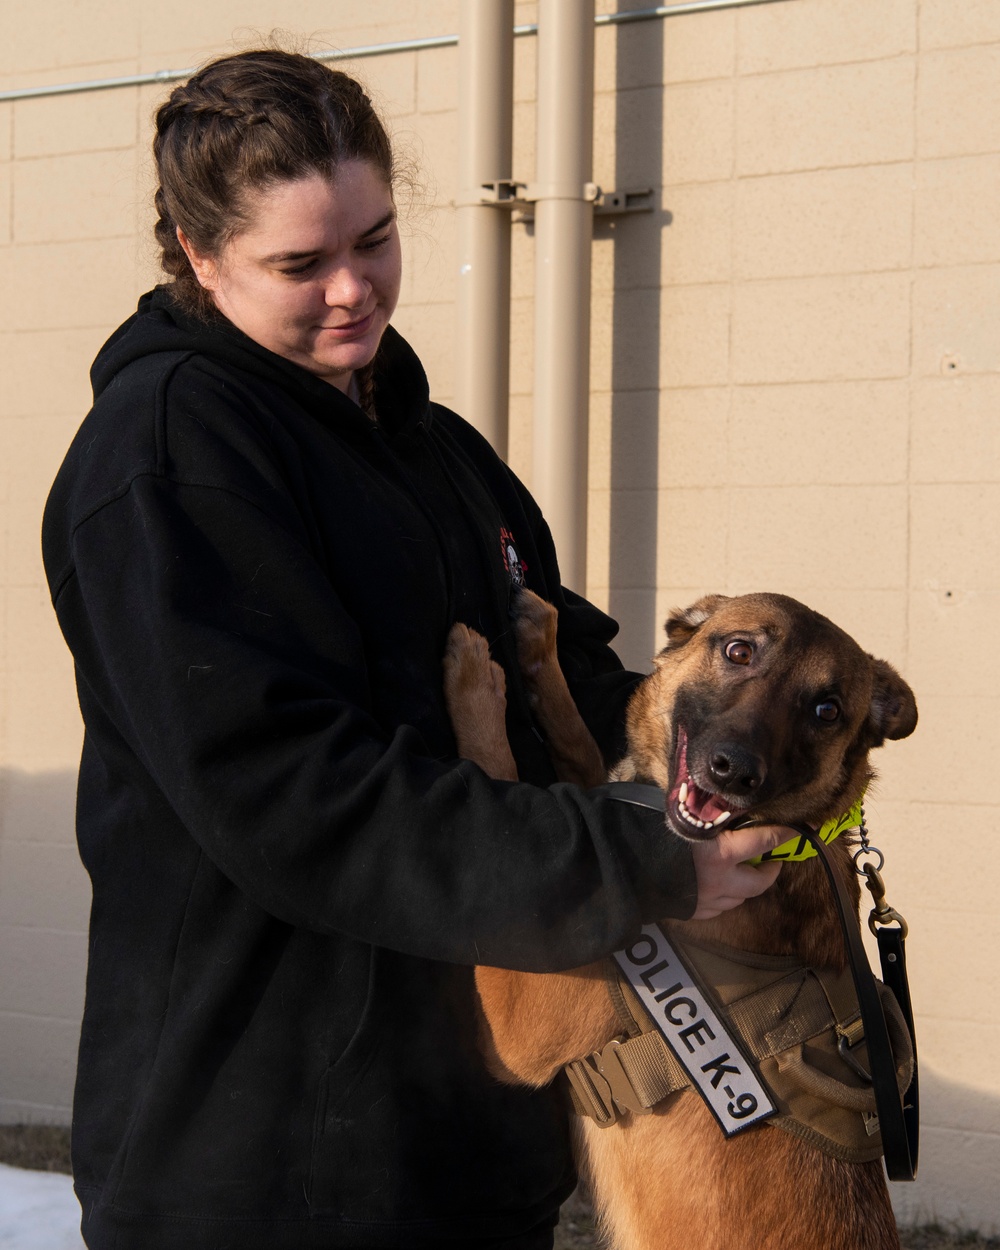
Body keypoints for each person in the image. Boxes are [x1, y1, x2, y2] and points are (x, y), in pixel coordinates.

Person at [42, 49, 787, 1250]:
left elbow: (574, 682)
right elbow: (297, 799)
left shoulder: (431, 445)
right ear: (196, 251)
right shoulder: (167, 458)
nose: (353, 288)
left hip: (466, 1145)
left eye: (375, 239)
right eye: (301, 263)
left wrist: (743, 760)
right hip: (266, 1171)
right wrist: (635, 860)